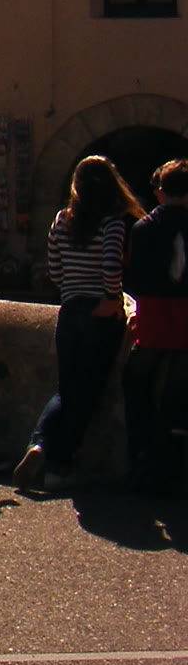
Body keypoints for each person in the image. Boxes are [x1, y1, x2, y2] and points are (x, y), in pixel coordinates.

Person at [13, 156, 143, 493]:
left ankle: (39, 445)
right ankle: (61, 465)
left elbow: (54, 269)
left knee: (66, 388)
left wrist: (73, 287)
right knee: (87, 392)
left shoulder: (62, 220)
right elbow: (112, 265)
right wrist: (110, 297)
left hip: (69, 310)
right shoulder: (112, 222)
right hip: (99, 312)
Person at [122, 158, 188, 494]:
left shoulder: (143, 228)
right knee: (178, 399)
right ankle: (172, 468)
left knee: (136, 384)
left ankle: (142, 459)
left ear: (161, 191)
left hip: (153, 318)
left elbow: (132, 279)